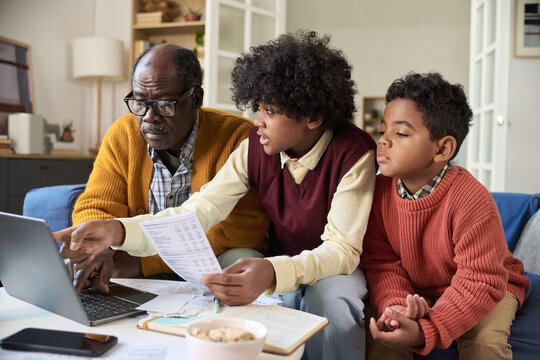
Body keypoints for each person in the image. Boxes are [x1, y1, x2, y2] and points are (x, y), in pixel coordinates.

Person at [56, 31, 377, 360]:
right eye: (257, 107)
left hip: (334, 267)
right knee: (253, 308)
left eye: (270, 111)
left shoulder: (355, 153)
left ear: (312, 117)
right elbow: (200, 209)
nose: (258, 120)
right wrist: (119, 231)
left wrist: (273, 272)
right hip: (281, 261)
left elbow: (342, 250)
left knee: (334, 303)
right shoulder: (255, 146)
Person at [65, 43, 270, 292]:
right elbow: (96, 204)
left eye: (164, 104)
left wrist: (145, 263)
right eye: (139, 102)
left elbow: (243, 229)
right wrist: (97, 250)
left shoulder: (237, 136)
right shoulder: (124, 133)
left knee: (243, 257)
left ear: (196, 99)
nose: (149, 117)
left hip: (209, 265)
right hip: (128, 262)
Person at [360, 72, 530, 359]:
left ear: (443, 149)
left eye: (400, 133)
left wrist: (429, 327)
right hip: (419, 289)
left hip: (488, 284)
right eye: (382, 130)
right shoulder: (377, 193)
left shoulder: (471, 199)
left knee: (484, 343)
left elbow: (480, 281)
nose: (384, 141)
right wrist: (397, 305)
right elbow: (381, 262)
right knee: (382, 332)